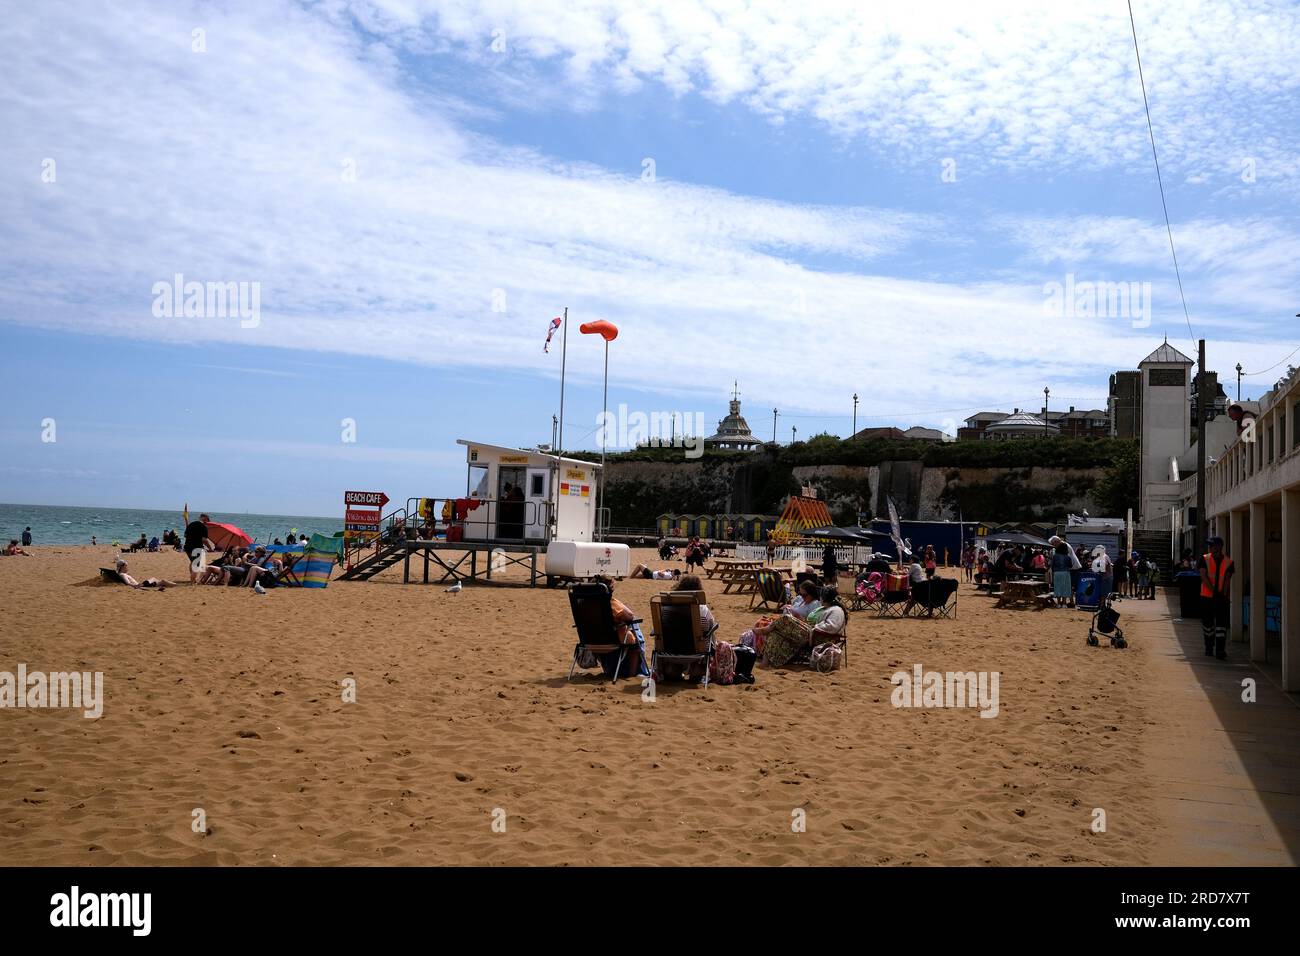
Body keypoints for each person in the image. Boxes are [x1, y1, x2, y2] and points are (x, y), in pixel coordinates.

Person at [592, 577, 649, 679]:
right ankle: (632, 674)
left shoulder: (585, 604)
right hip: (611, 640)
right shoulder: (609, 604)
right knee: (634, 639)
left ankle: (611, 669)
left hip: (591, 640)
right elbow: (630, 616)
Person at [1198, 537, 1234, 660]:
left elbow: (1227, 580)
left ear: (1219, 547)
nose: (1210, 548)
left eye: (1212, 545)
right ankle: (1209, 647)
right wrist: (1215, 591)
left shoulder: (1229, 562)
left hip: (1219, 598)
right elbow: (1203, 576)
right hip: (1207, 597)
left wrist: (1222, 595)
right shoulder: (1204, 559)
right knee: (1208, 624)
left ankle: (1219, 650)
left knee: (1221, 626)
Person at [112, 558, 178, 590]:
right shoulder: (122, 575)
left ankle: (173, 585)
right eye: (126, 565)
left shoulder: (122, 574)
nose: (127, 567)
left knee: (155, 579)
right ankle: (176, 586)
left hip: (141, 585)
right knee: (162, 581)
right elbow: (128, 583)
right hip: (140, 585)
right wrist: (137, 587)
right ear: (123, 566)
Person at [184, 513, 214, 583]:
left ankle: (192, 578)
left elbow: (185, 535)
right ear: (205, 518)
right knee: (197, 565)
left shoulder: (191, 524)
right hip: (197, 547)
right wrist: (210, 548)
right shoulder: (203, 527)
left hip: (187, 547)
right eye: (207, 521)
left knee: (192, 562)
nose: (207, 522)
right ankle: (192, 581)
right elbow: (204, 540)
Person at [1048, 536, 1077, 608]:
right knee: (1065, 588)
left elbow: (1052, 565)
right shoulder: (1067, 556)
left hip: (1057, 573)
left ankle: (1058, 604)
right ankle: (1064, 603)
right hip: (1066, 573)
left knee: (1058, 587)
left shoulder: (1055, 556)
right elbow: (1070, 565)